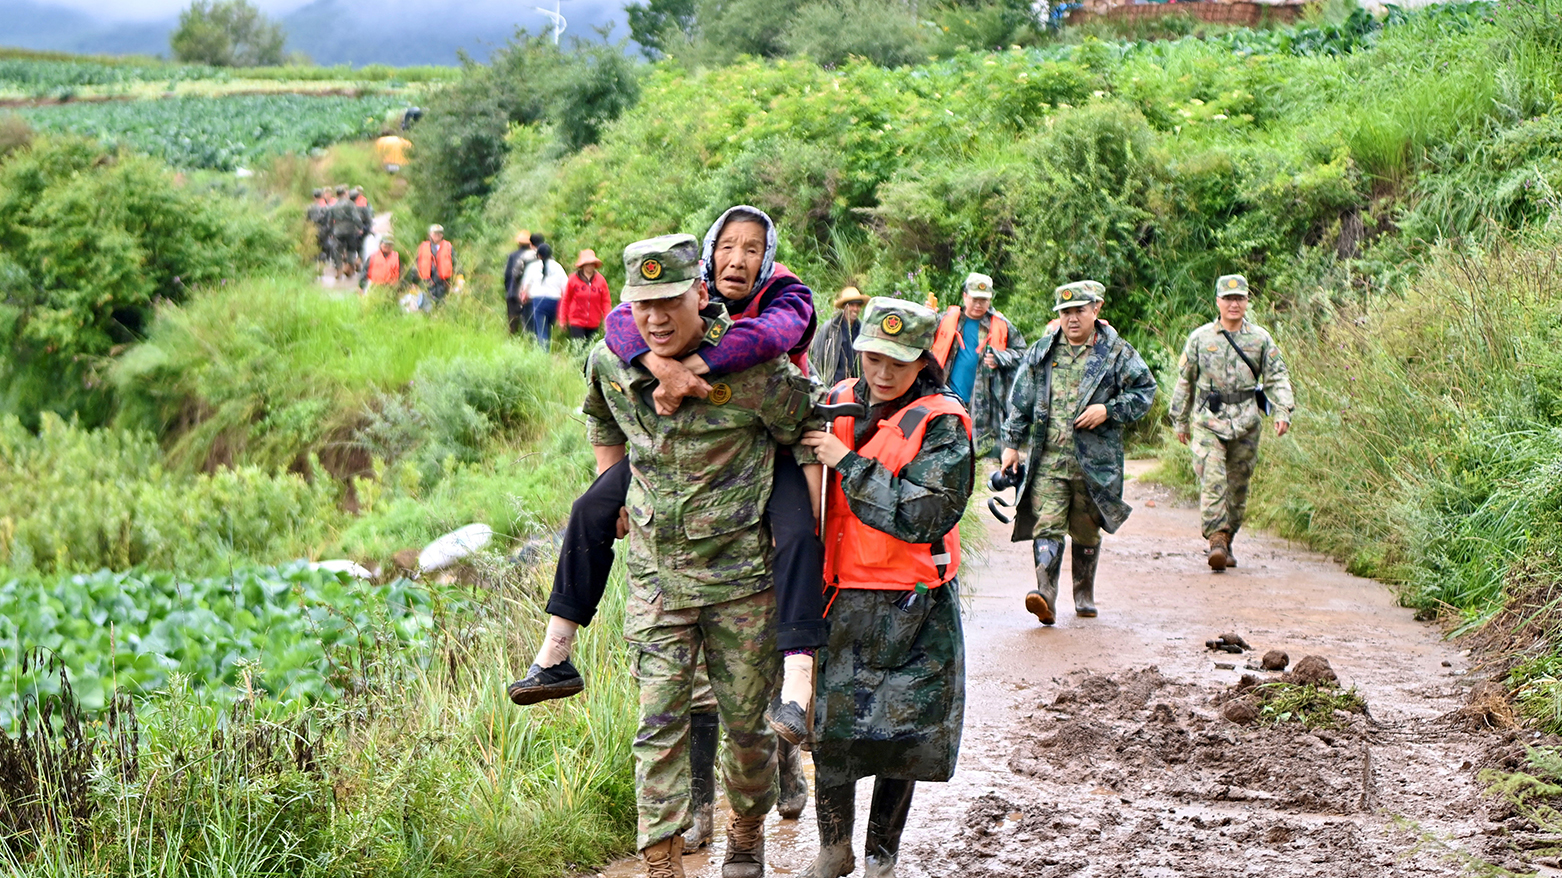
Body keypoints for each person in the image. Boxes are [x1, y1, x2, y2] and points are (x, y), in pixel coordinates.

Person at [507, 205, 824, 733]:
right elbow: (616, 324)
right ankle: (556, 653)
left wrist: (691, 368)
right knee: (589, 508)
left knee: (796, 533)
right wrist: (658, 365)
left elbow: (768, 338)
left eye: (751, 248)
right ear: (708, 256)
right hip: (675, 449)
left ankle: (798, 679)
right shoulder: (683, 290)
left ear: (767, 255)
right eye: (726, 246)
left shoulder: (788, 295)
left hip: (773, 441)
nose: (737, 259)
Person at [575, 233, 820, 878]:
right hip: (657, 580)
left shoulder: (758, 371)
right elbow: (600, 414)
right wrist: (612, 483)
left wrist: (800, 529)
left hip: (741, 582)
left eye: (670, 303)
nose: (655, 318)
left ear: (701, 294)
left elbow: (806, 431)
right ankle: (661, 861)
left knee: (747, 728)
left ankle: (745, 835)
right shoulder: (615, 361)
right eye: (643, 304)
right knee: (658, 729)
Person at [796, 297, 974, 878]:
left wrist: (848, 464)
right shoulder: (837, 400)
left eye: (898, 360)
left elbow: (926, 515)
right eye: (873, 357)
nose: (882, 372)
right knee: (831, 734)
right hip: (839, 597)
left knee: (903, 737)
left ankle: (881, 857)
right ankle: (834, 848)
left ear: (922, 359)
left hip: (913, 607)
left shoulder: (943, 422)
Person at [999, 281, 1157, 625]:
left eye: (1079, 311)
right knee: (1047, 524)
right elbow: (1021, 402)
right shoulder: (1042, 351)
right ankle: (1045, 594)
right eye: (1065, 312)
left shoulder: (1115, 352)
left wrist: (1109, 410)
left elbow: (1145, 390)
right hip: (1048, 459)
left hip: (1094, 463)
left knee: (1086, 529)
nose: (1072, 319)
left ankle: (1083, 592)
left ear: (1095, 309)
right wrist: (1011, 445)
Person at [1169, 274, 1296, 571]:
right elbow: (1185, 381)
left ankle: (1227, 538)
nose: (1234, 304)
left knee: (1237, 487)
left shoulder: (1260, 339)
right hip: (1208, 421)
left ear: (1247, 301)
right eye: (1228, 299)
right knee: (1213, 480)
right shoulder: (1200, 338)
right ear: (1218, 302)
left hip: (1246, 421)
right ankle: (1216, 540)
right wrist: (1180, 420)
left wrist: (1282, 411)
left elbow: (1277, 377)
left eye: (1239, 298)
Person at [930, 273, 1026, 458]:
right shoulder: (946, 320)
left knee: (984, 455)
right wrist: (926, 317)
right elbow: (918, 338)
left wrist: (1000, 358)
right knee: (946, 449)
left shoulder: (1002, 324)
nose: (978, 305)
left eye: (984, 300)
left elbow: (1023, 354)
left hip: (986, 404)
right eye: (974, 299)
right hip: (948, 395)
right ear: (965, 296)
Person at [808, 286, 869, 386]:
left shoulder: (863, 330)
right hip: (834, 385)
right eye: (851, 305)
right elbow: (817, 358)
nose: (855, 309)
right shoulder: (830, 328)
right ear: (844, 307)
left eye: (858, 305)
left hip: (857, 385)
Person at [560, 249, 612, 341]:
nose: (590, 266)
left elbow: (606, 302)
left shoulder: (601, 280)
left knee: (589, 350)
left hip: (594, 322)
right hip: (576, 321)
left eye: (591, 263)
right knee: (579, 349)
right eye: (587, 263)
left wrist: (607, 321)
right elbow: (566, 300)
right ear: (582, 265)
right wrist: (563, 319)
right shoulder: (573, 279)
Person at [521, 242, 568, 346]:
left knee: (541, 331)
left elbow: (526, 285)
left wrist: (524, 297)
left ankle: (543, 354)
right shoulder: (558, 267)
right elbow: (565, 287)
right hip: (555, 302)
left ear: (539, 255)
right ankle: (547, 349)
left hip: (539, 302)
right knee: (548, 328)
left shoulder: (533, 266)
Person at [503, 231, 536, 335]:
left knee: (513, 323)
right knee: (529, 323)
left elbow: (508, 275)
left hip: (513, 292)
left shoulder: (512, 256)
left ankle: (513, 340)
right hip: (529, 294)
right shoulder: (534, 256)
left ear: (519, 243)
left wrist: (509, 290)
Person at [415, 225, 456, 306]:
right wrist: (414, 281)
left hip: (444, 282)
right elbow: (416, 264)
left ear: (442, 235)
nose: (437, 235)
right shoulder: (423, 247)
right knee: (427, 304)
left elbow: (456, 262)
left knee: (443, 303)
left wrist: (460, 278)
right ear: (430, 234)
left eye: (439, 233)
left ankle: (440, 316)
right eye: (435, 233)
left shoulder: (448, 247)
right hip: (428, 281)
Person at [328, 186, 362, 276]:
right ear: (345, 193)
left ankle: (339, 269)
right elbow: (356, 217)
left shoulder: (333, 206)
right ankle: (350, 267)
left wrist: (331, 231)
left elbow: (330, 220)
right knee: (351, 248)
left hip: (337, 230)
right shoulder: (350, 204)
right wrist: (360, 227)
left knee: (338, 249)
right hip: (350, 229)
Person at [307, 188, 330, 265]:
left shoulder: (310, 207)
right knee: (323, 248)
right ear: (322, 196)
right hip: (324, 230)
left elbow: (307, 220)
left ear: (313, 197)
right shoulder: (326, 207)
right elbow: (328, 220)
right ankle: (322, 265)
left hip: (313, 230)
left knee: (314, 248)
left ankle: (314, 266)